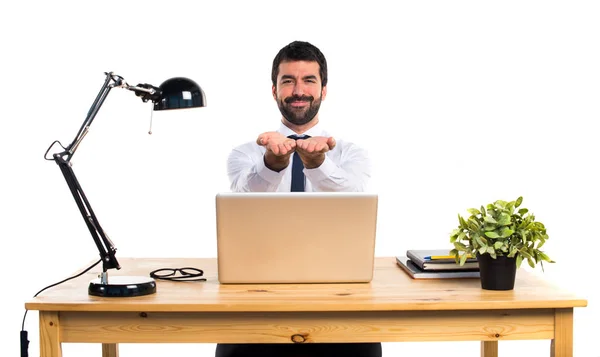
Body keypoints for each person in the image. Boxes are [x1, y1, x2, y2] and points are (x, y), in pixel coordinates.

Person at [218, 41, 380, 357]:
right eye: (288, 81)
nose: (298, 90)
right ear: (274, 90)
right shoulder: (246, 153)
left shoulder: (350, 154)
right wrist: (272, 164)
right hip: (257, 292)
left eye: (309, 80)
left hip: (338, 293)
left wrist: (318, 163)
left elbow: (353, 199)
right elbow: (241, 203)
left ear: (324, 90)